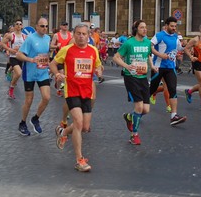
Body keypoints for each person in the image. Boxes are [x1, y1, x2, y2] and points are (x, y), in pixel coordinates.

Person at [50, 23, 103, 172]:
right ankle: (79, 160)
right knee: (78, 123)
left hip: (87, 91)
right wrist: (57, 74)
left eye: (84, 34)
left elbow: (98, 65)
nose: (81, 36)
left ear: (88, 36)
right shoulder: (66, 50)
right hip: (72, 90)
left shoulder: (93, 50)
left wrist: (99, 71)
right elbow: (53, 64)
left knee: (85, 127)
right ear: (74, 35)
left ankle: (64, 132)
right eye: (78, 33)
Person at [114, 20, 157, 145]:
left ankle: (129, 117)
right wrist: (126, 66)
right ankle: (134, 135)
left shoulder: (148, 43)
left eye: (146, 27)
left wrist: (152, 66)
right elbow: (117, 57)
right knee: (138, 106)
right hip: (131, 77)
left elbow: (148, 55)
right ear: (136, 29)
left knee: (146, 109)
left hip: (143, 77)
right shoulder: (129, 43)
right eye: (142, 27)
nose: (145, 29)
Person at [15, 18, 52, 136]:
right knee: (29, 100)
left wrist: (49, 64)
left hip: (42, 73)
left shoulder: (48, 38)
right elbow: (19, 55)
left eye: (46, 26)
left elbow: (46, 54)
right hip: (30, 73)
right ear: (36, 27)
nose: (44, 28)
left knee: (46, 97)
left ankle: (35, 118)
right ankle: (22, 123)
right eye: (42, 26)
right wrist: (30, 59)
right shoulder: (30, 39)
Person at [149, 17, 187, 125]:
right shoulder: (159, 35)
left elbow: (179, 48)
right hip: (158, 67)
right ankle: (139, 108)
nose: (174, 28)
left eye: (175, 26)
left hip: (170, 67)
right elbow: (150, 46)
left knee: (172, 89)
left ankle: (174, 116)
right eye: (172, 26)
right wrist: (160, 55)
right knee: (152, 89)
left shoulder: (175, 37)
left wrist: (185, 46)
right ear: (166, 26)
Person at [1, 19, 26, 100]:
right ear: (15, 26)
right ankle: (11, 88)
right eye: (17, 24)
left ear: (22, 26)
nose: (18, 26)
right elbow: (2, 43)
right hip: (13, 57)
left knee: (17, 74)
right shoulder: (11, 35)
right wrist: (9, 49)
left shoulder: (24, 36)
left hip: (20, 57)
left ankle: (11, 89)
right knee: (19, 73)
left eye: (20, 24)